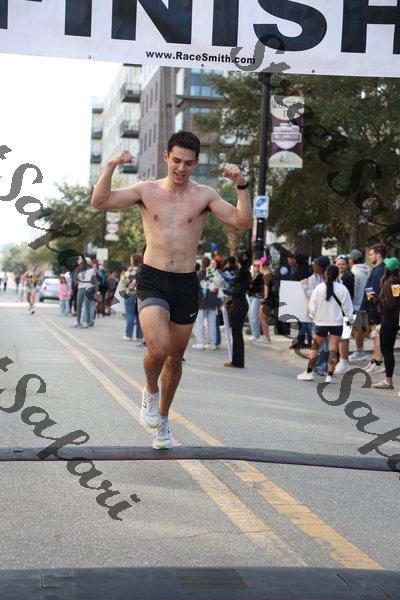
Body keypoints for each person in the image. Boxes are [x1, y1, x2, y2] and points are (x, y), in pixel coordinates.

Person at [91, 130, 252, 449]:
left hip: (185, 283)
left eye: (188, 163)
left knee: (175, 358)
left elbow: (242, 221)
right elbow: (100, 201)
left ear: (196, 163)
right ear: (166, 157)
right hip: (153, 278)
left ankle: (163, 419)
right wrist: (110, 166)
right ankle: (150, 392)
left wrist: (241, 185)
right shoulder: (146, 191)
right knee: (159, 348)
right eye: (176, 160)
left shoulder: (204, 196)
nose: (181, 168)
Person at [297, 264, 354, 384]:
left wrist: (314, 316)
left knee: (315, 347)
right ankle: (329, 376)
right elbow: (348, 308)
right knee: (333, 348)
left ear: (326, 274)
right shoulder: (343, 289)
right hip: (337, 323)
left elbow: (312, 306)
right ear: (337, 275)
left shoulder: (319, 288)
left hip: (321, 322)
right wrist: (350, 320)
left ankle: (309, 372)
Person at [366, 257, 400, 390]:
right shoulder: (396, 281)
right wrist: (378, 298)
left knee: (387, 351)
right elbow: (396, 300)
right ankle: (388, 380)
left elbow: (391, 303)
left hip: (388, 319)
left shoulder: (390, 282)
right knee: (388, 350)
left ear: (387, 269)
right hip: (392, 319)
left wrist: (379, 301)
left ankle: (388, 381)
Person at [300, 256, 330, 375]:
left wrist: (304, 286)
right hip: (326, 314)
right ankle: (321, 366)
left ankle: (319, 367)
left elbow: (311, 296)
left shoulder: (313, 279)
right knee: (324, 342)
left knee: (319, 342)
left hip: (319, 315)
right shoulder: (331, 277)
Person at [360, 244, 386, 374]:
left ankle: (378, 362)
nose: (369, 257)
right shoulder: (377, 270)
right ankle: (375, 360)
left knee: (377, 336)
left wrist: (369, 305)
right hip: (373, 308)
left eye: (371, 254)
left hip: (376, 309)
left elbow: (374, 292)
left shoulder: (379, 271)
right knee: (375, 336)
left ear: (378, 255)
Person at [223, 251, 252, 368]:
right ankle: (237, 361)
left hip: (239, 305)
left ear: (238, 261)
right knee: (237, 333)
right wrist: (229, 302)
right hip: (240, 303)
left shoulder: (242, 273)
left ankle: (237, 362)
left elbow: (238, 292)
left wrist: (226, 292)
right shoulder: (245, 272)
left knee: (236, 334)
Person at [193, 256, 220, 350]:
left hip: (201, 303)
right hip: (212, 302)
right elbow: (219, 287)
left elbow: (194, 289)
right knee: (212, 324)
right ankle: (212, 343)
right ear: (209, 264)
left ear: (202, 263)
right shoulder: (213, 274)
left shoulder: (199, 275)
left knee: (200, 324)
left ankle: (201, 342)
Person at [348, 249, 370, 363]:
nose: (349, 260)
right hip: (364, 303)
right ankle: (360, 351)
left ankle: (359, 351)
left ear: (353, 260)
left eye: (350, 258)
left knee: (357, 329)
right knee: (359, 328)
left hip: (356, 304)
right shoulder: (367, 269)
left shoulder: (355, 272)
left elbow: (353, 290)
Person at [335, 254, 355, 375]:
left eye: (343, 264)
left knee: (344, 337)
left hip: (347, 310)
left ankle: (344, 362)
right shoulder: (338, 276)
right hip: (340, 311)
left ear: (347, 265)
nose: (341, 266)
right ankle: (341, 360)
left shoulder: (348, 276)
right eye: (338, 264)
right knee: (340, 337)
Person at [289, 254, 313, 349]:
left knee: (303, 321)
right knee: (306, 321)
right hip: (309, 299)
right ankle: (308, 340)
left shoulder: (297, 273)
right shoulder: (309, 271)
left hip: (300, 300)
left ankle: (303, 340)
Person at [121, 254, 144, 342]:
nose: (130, 261)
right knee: (139, 315)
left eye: (131, 259)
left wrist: (123, 277)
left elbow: (124, 281)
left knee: (129, 314)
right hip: (140, 294)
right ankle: (139, 336)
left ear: (134, 260)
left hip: (129, 293)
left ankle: (128, 335)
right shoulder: (142, 269)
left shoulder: (130, 269)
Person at [73, 257, 98, 328]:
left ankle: (86, 322)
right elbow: (75, 279)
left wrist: (96, 291)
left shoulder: (91, 270)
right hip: (80, 288)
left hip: (88, 288)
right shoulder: (79, 270)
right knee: (78, 305)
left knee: (86, 306)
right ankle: (78, 321)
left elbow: (95, 281)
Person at [258, 257, 275, 344]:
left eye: (259, 265)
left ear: (262, 266)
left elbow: (266, 288)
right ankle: (266, 337)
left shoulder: (266, 276)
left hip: (267, 301)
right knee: (262, 318)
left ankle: (267, 338)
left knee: (262, 318)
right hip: (270, 300)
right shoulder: (270, 274)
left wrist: (264, 298)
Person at [247, 259, 264, 342]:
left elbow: (253, 286)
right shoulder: (252, 275)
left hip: (256, 297)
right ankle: (254, 334)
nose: (256, 267)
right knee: (251, 316)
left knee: (254, 316)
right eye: (255, 265)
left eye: (258, 265)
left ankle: (256, 335)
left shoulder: (261, 276)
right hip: (250, 297)